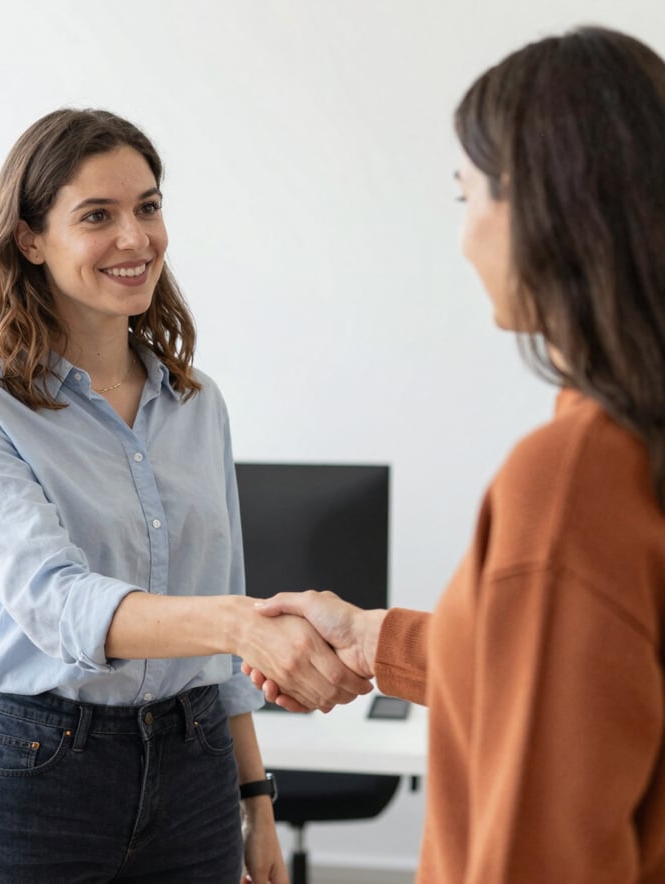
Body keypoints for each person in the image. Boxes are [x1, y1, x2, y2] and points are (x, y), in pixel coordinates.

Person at [246, 26, 665, 883]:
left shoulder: (574, 479)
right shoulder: (635, 440)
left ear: (544, 208)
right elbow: (591, 689)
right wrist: (374, 640)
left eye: (465, 194)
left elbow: (539, 857)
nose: (465, 235)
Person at [0, 108, 372, 884]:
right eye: (97, 216)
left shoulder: (198, 404)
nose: (136, 238)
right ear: (31, 240)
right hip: (42, 768)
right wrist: (239, 625)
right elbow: (57, 603)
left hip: (195, 769)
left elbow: (221, 604)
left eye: (148, 207)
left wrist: (257, 800)